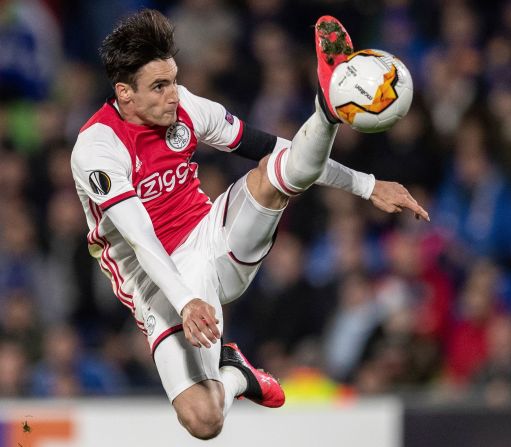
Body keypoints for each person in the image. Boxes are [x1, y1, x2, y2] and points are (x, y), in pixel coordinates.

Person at [70, 9, 428, 440]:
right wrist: (185, 301)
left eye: (173, 80)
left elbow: (273, 147)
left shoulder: (185, 106)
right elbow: (140, 238)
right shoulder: (96, 148)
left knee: (273, 175)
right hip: (157, 279)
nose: (173, 95)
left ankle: (327, 109)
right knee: (204, 421)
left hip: (212, 233)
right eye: (159, 86)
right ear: (124, 93)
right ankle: (238, 372)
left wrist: (366, 186)